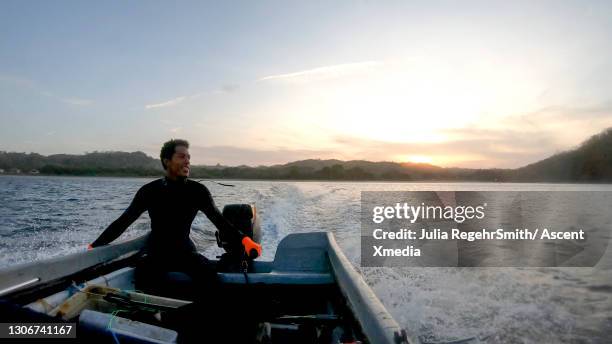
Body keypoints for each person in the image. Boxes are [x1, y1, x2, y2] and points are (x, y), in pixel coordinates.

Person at [88, 138, 261, 298]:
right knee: (144, 279)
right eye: (181, 157)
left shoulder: (197, 191)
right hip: (157, 255)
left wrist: (244, 240)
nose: (187, 161)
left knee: (210, 278)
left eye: (188, 158)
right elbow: (123, 222)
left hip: (186, 253)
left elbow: (220, 222)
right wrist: (95, 245)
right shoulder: (149, 191)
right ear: (166, 161)